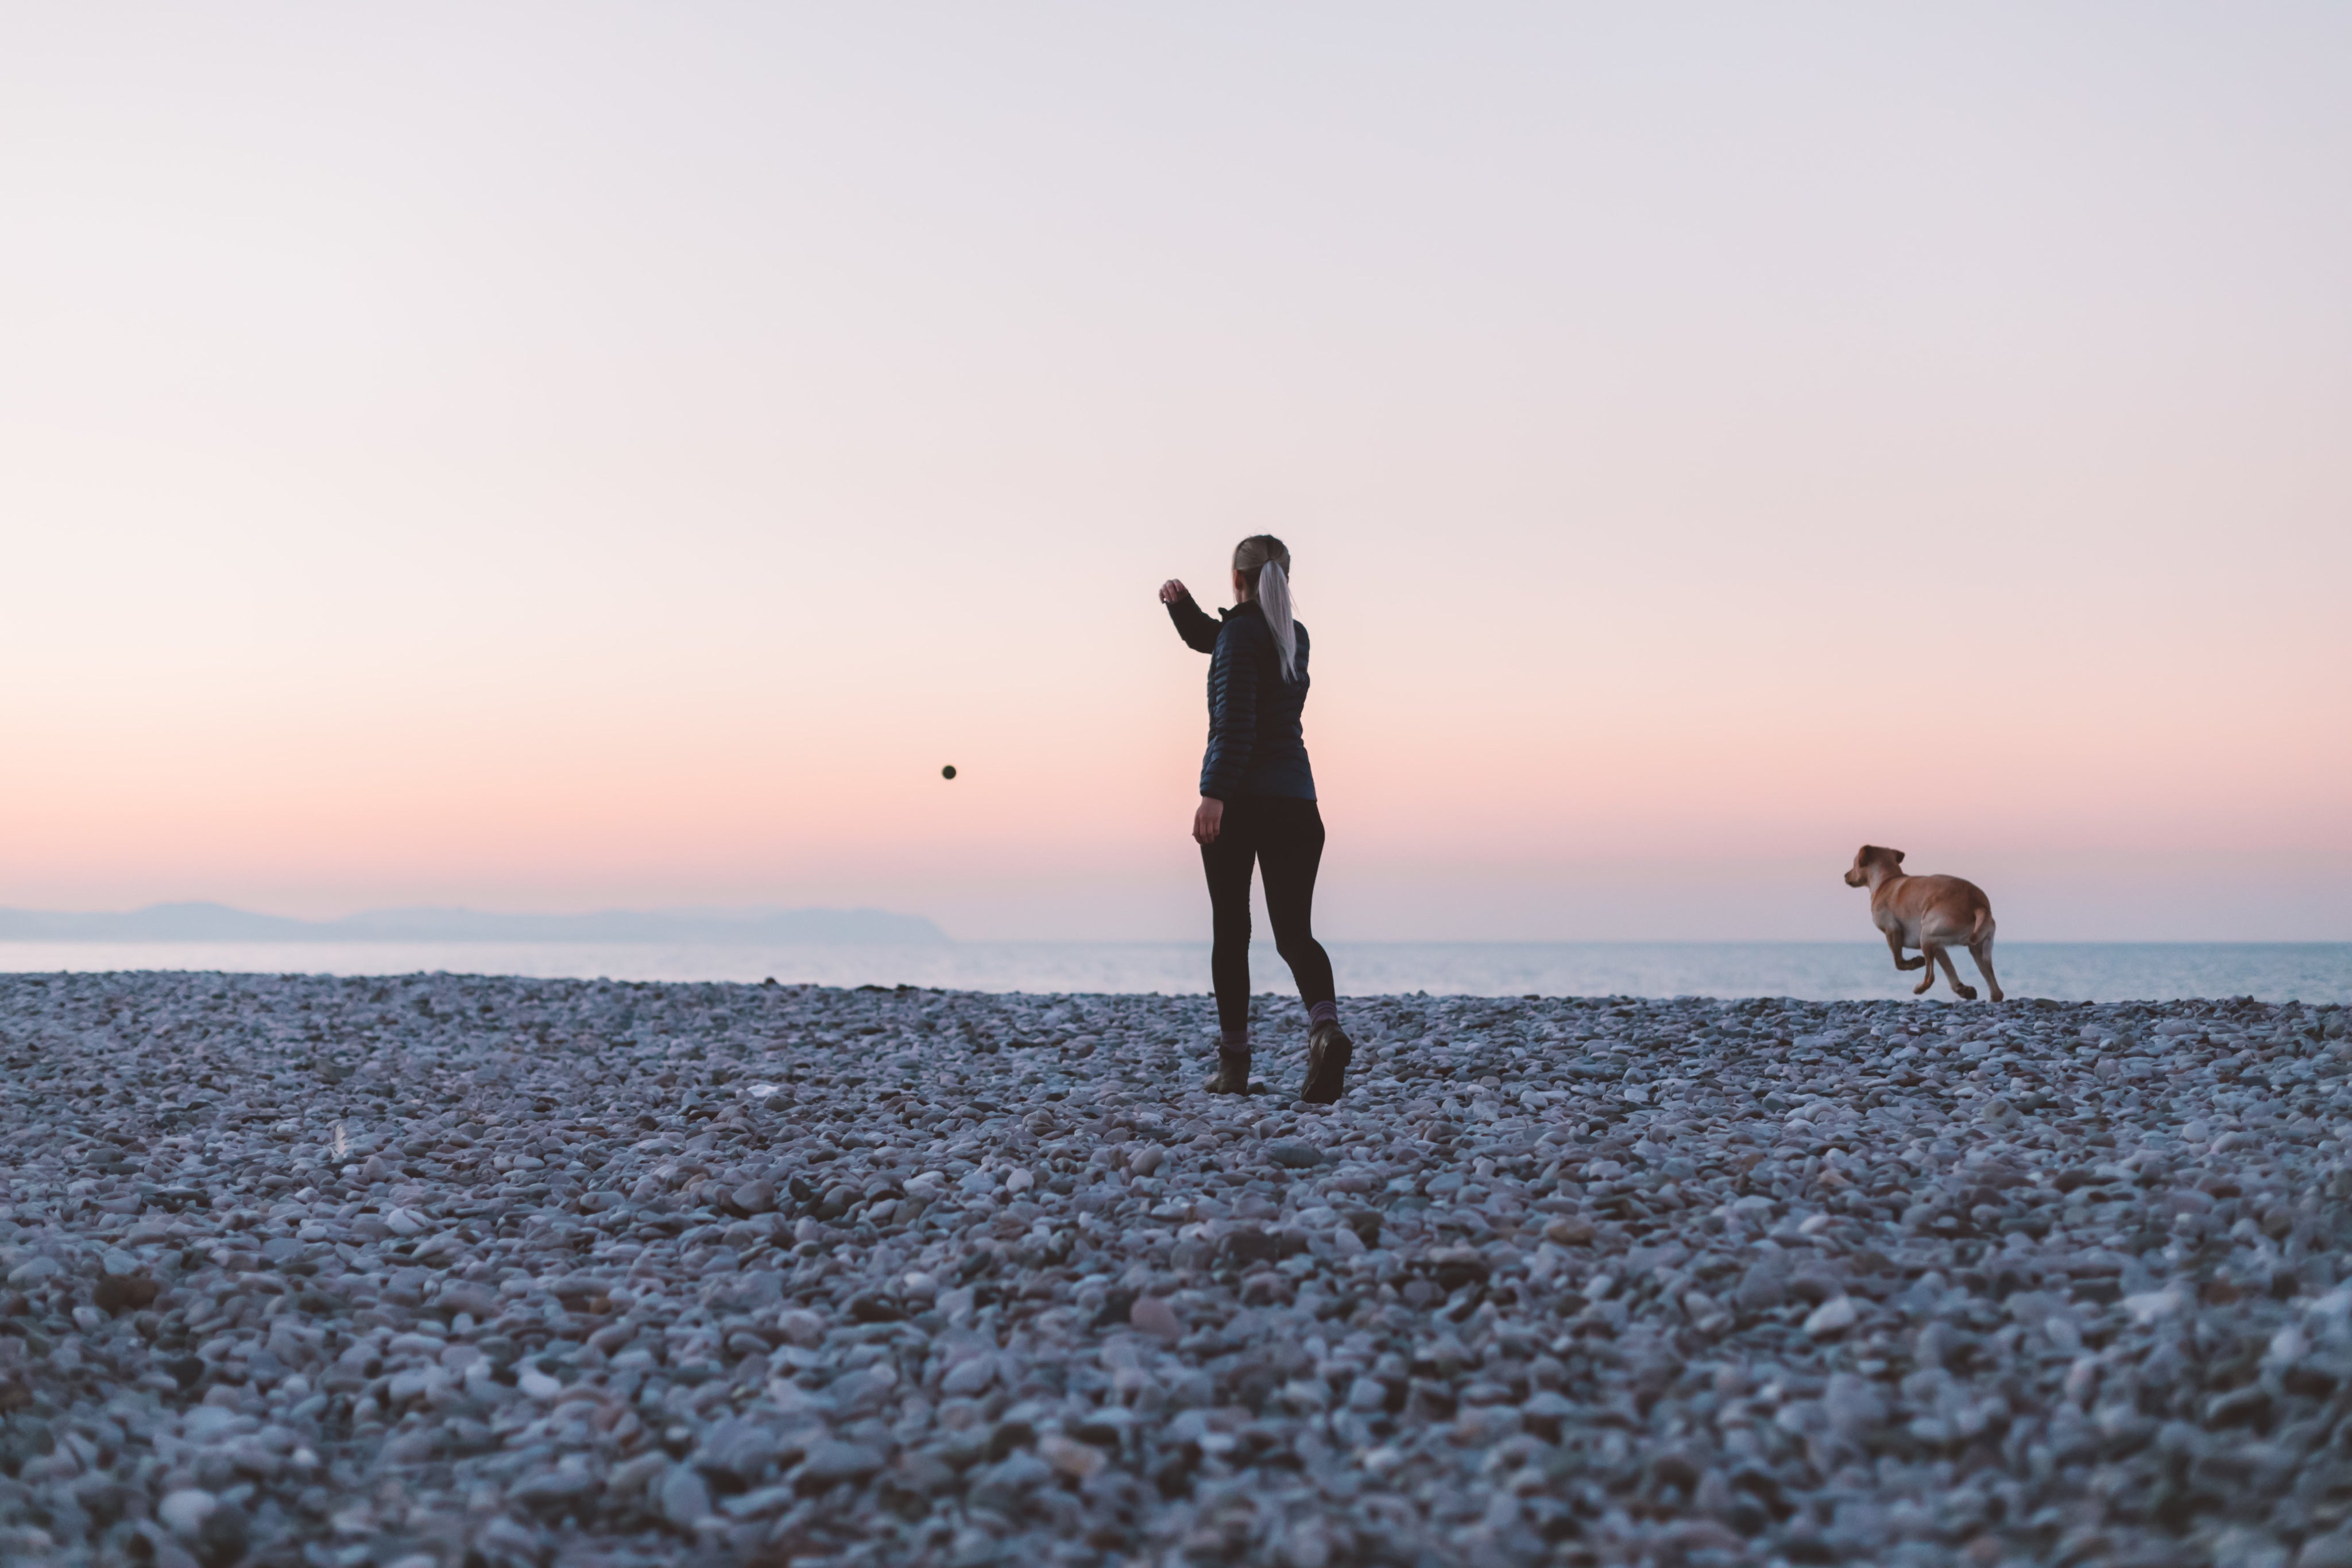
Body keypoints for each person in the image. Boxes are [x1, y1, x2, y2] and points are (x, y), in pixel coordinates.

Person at [1158, 536, 1353, 1102]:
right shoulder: (1292, 633)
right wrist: (1181, 608)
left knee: (1231, 931)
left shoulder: (1242, 634)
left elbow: (1236, 715)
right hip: (1297, 803)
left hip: (1242, 802)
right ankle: (1325, 1031)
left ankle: (1235, 1064)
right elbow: (1219, 642)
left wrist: (1212, 794)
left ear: (1236, 578)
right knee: (1295, 933)